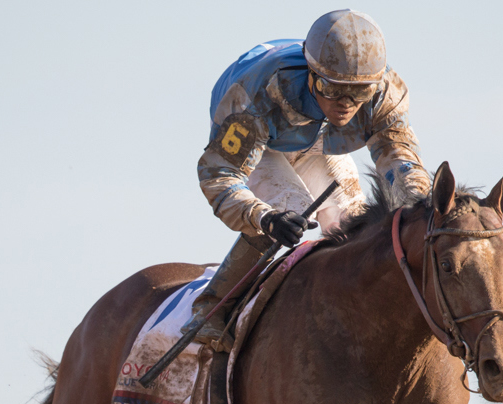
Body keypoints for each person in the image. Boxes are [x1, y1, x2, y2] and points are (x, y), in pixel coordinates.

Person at [185, 9, 431, 350]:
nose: (346, 105)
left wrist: (422, 204)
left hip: (319, 142)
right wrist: (264, 217)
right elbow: (220, 175)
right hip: (261, 142)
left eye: (358, 93)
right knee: (292, 209)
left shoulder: (385, 94)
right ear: (312, 74)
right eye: (333, 89)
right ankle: (212, 308)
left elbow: (400, 161)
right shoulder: (257, 95)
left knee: (353, 220)